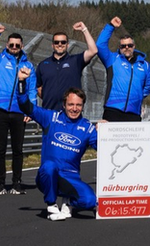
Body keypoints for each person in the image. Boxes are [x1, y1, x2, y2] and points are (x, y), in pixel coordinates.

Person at [16, 66, 98, 221]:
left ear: (83, 106)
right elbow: (24, 105)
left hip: (70, 177)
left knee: (89, 201)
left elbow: (105, 147)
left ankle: (68, 201)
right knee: (49, 166)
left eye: (78, 105)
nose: (74, 109)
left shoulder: (88, 128)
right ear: (64, 105)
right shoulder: (50, 118)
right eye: (71, 105)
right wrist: (21, 81)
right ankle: (52, 205)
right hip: (47, 175)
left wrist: (106, 132)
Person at [0, 24, 36, 195]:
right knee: (0, 148)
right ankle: (0, 183)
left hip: (19, 112)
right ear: (6, 45)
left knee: (18, 149)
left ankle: (17, 183)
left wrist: (30, 111)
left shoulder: (29, 66)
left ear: (22, 46)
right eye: (11, 45)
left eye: (17, 45)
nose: (13, 47)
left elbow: (32, 89)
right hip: (0, 111)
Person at [95, 16, 150, 122]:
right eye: (123, 46)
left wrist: (137, 96)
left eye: (129, 45)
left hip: (134, 112)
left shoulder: (145, 65)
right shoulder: (112, 59)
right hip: (113, 110)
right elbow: (99, 45)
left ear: (134, 46)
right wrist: (111, 26)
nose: (127, 47)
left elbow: (149, 87)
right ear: (119, 48)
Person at [36, 22, 98, 112]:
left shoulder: (75, 61)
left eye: (63, 42)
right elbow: (38, 86)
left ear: (67, 44)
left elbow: (93, 50)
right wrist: (48, 97)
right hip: (49, 113)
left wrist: (84, 29)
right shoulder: (43, 64)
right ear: (52, 45)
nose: (60, 44)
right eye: (56, 42)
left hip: (71, 113)